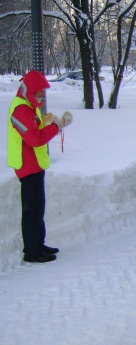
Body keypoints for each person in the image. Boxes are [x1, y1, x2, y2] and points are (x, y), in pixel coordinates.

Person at [7, 70, 73, 263]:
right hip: (27, 167)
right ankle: (31, 251)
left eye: (43, 92)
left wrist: (46, 122)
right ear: (30, 91)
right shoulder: (20, 109)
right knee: (32, 211)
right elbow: (34, 139)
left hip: (35, 164)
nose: (42, 96)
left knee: (38, 208)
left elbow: (34, 128)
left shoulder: (29, 105)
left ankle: (38, 243)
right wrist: (58, 125)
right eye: (39, 93)